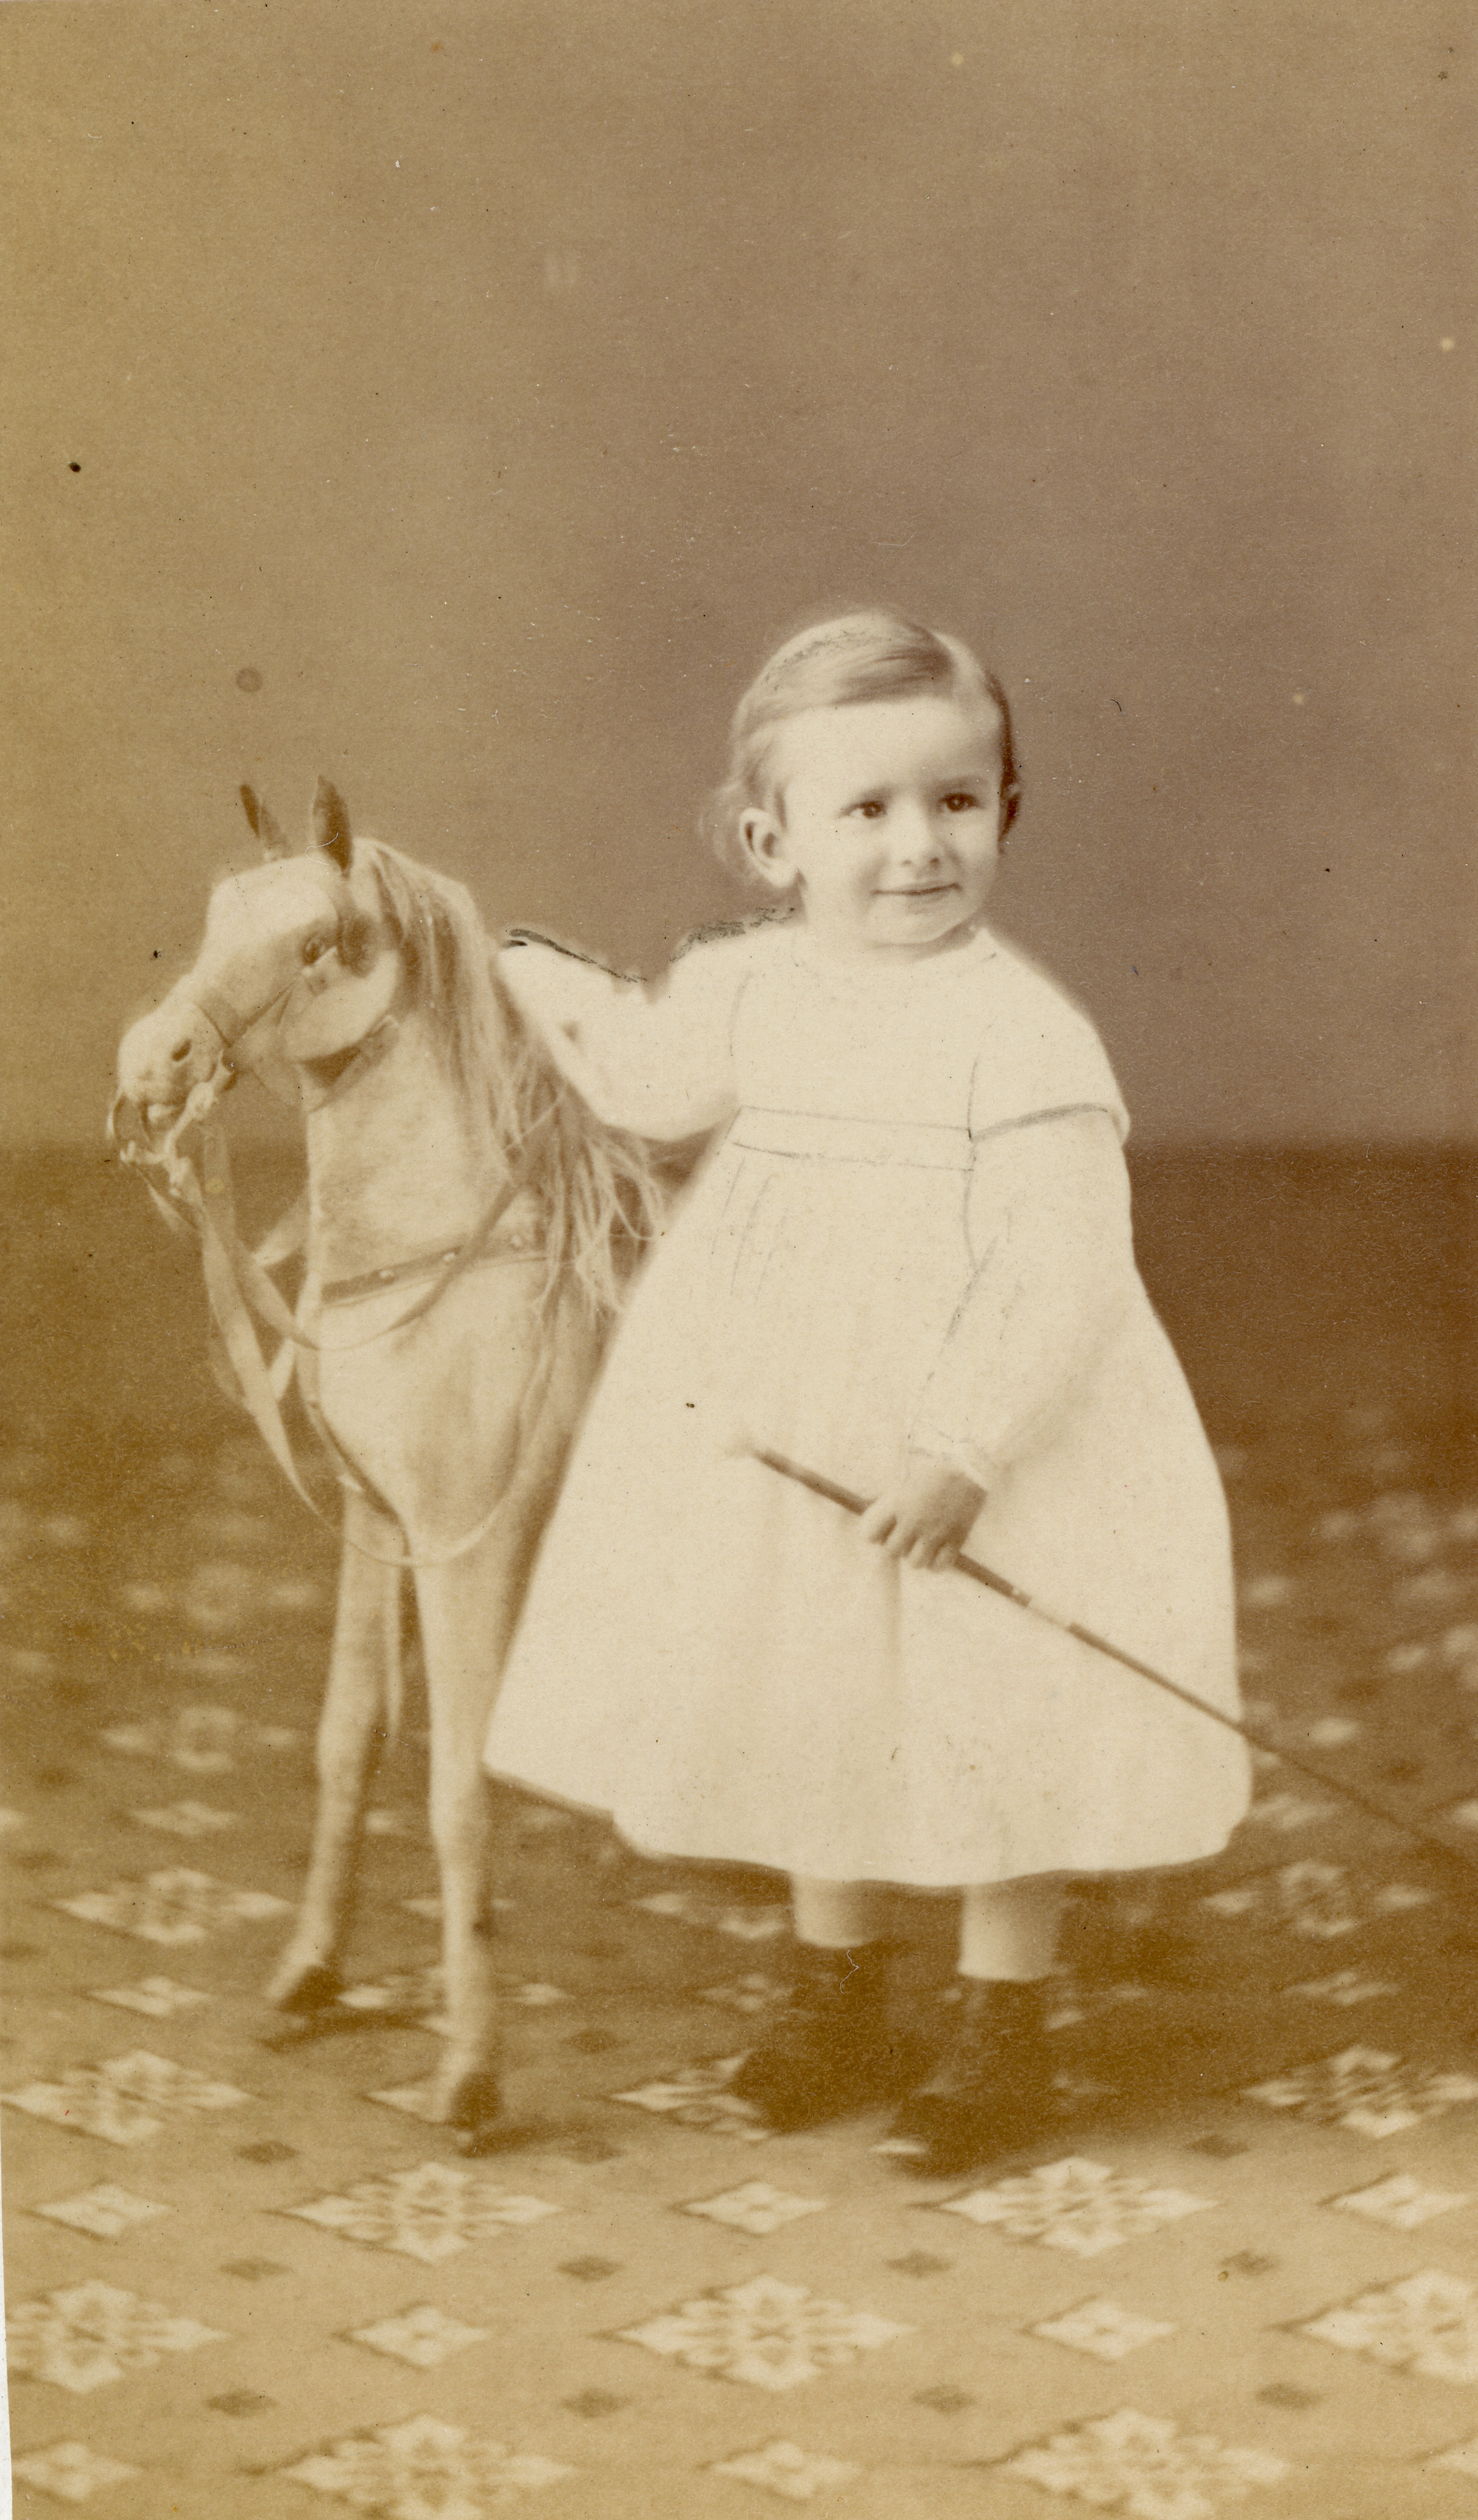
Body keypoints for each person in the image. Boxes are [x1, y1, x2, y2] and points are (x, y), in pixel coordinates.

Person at [484, 609, 1250, 2172]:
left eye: (956, 800)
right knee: (809, 1683)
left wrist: (964, 1447)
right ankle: (835, 1995)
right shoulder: (747, 985)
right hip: (785, 1417)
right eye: (868, 808)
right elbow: (649, 1085)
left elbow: (1059, 1264)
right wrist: (527, 978)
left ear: (1006, 808)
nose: (918, 846)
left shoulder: (1019, 1030)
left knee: (992, 1704)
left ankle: (1001, 2021)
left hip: (984, 1431)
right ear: (771, 842)